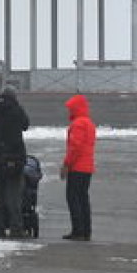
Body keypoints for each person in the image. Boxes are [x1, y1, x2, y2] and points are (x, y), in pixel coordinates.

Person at [0, 83, 30, 238]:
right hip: (14, 158)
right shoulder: (16, 110)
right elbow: (25, 125)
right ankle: (16, 229)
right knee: (14, 196)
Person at [60, 93, 95, 241]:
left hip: (77, 167)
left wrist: (66, 164)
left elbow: (75, 147)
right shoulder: (89, 123)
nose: (69, 111)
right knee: (83, 198)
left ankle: (78, 230)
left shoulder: (78, 124)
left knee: (73, 198)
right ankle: (86, 230)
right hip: (87, 167)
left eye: (71, 109)